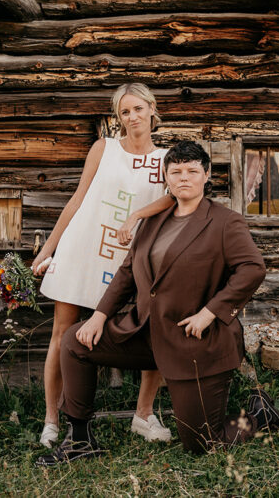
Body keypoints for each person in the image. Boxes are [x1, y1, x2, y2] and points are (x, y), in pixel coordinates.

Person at [35, 141, 279, 465]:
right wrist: (99, 315)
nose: (184, 178)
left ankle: (260, 417)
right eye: (176, 171)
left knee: (202, 442)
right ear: (166, 177)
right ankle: (79, 439)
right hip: (146, 336)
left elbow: (252, 269)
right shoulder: (152, 221)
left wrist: (210, 313)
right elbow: (126, 274)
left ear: (206, 175)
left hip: (194, 343)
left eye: (192, 171)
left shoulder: (225, 222)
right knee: (74, 341)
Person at [31, 83, 176, 448]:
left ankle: (143, 415)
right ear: (118, 117)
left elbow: (173, 198)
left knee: (152, 329)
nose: (132, 117)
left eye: (138, 109)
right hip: (83, 248)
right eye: (125, 112)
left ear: (152, 109)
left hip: (132, 258)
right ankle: (52, 420)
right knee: (62, 333)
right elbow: (78, 199)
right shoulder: (104, 148)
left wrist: (138, 215)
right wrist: (48, 249)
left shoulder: (166, 158)